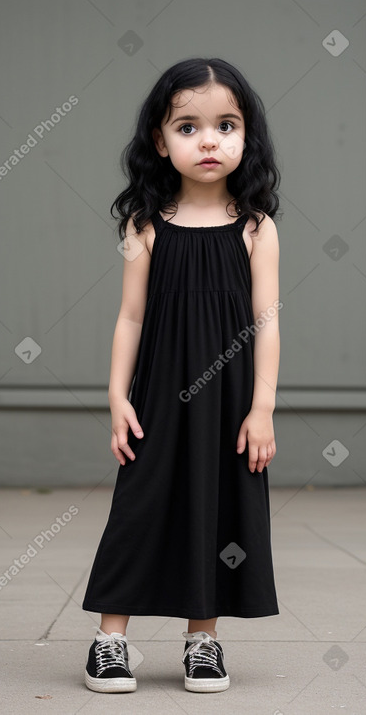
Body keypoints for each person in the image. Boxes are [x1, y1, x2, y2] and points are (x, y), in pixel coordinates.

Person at [82, 56, 282, 694]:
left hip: (229, 402)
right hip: (159, 399)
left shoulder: (256, 230)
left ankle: (204, 640)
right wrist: (117, 397)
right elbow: (131, 319)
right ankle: (111, 641)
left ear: (247, 137)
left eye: (226, 125)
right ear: (159, 142)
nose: (209, 140)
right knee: (138, 506)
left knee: (217, 505)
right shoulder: (145, 228)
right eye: (188, 127)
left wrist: (262, 408)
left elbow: (268, 323)